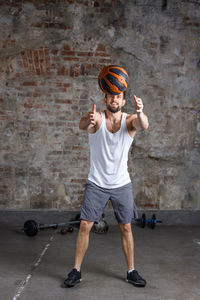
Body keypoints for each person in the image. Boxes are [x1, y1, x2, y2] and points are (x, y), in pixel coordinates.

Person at [64, 91, 149, 288]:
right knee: (85, 224)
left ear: (123, 100)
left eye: (118, 96)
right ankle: (76, 270)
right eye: (110, 96)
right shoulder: (98, 119)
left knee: (126, 227)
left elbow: (143, 125)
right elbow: (82, 124)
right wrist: (88, 118)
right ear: (105, 99)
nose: (114, 99)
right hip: (97, 182)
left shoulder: (130, 120)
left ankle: (131, 271)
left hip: (121, 183)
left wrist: (141, 112)